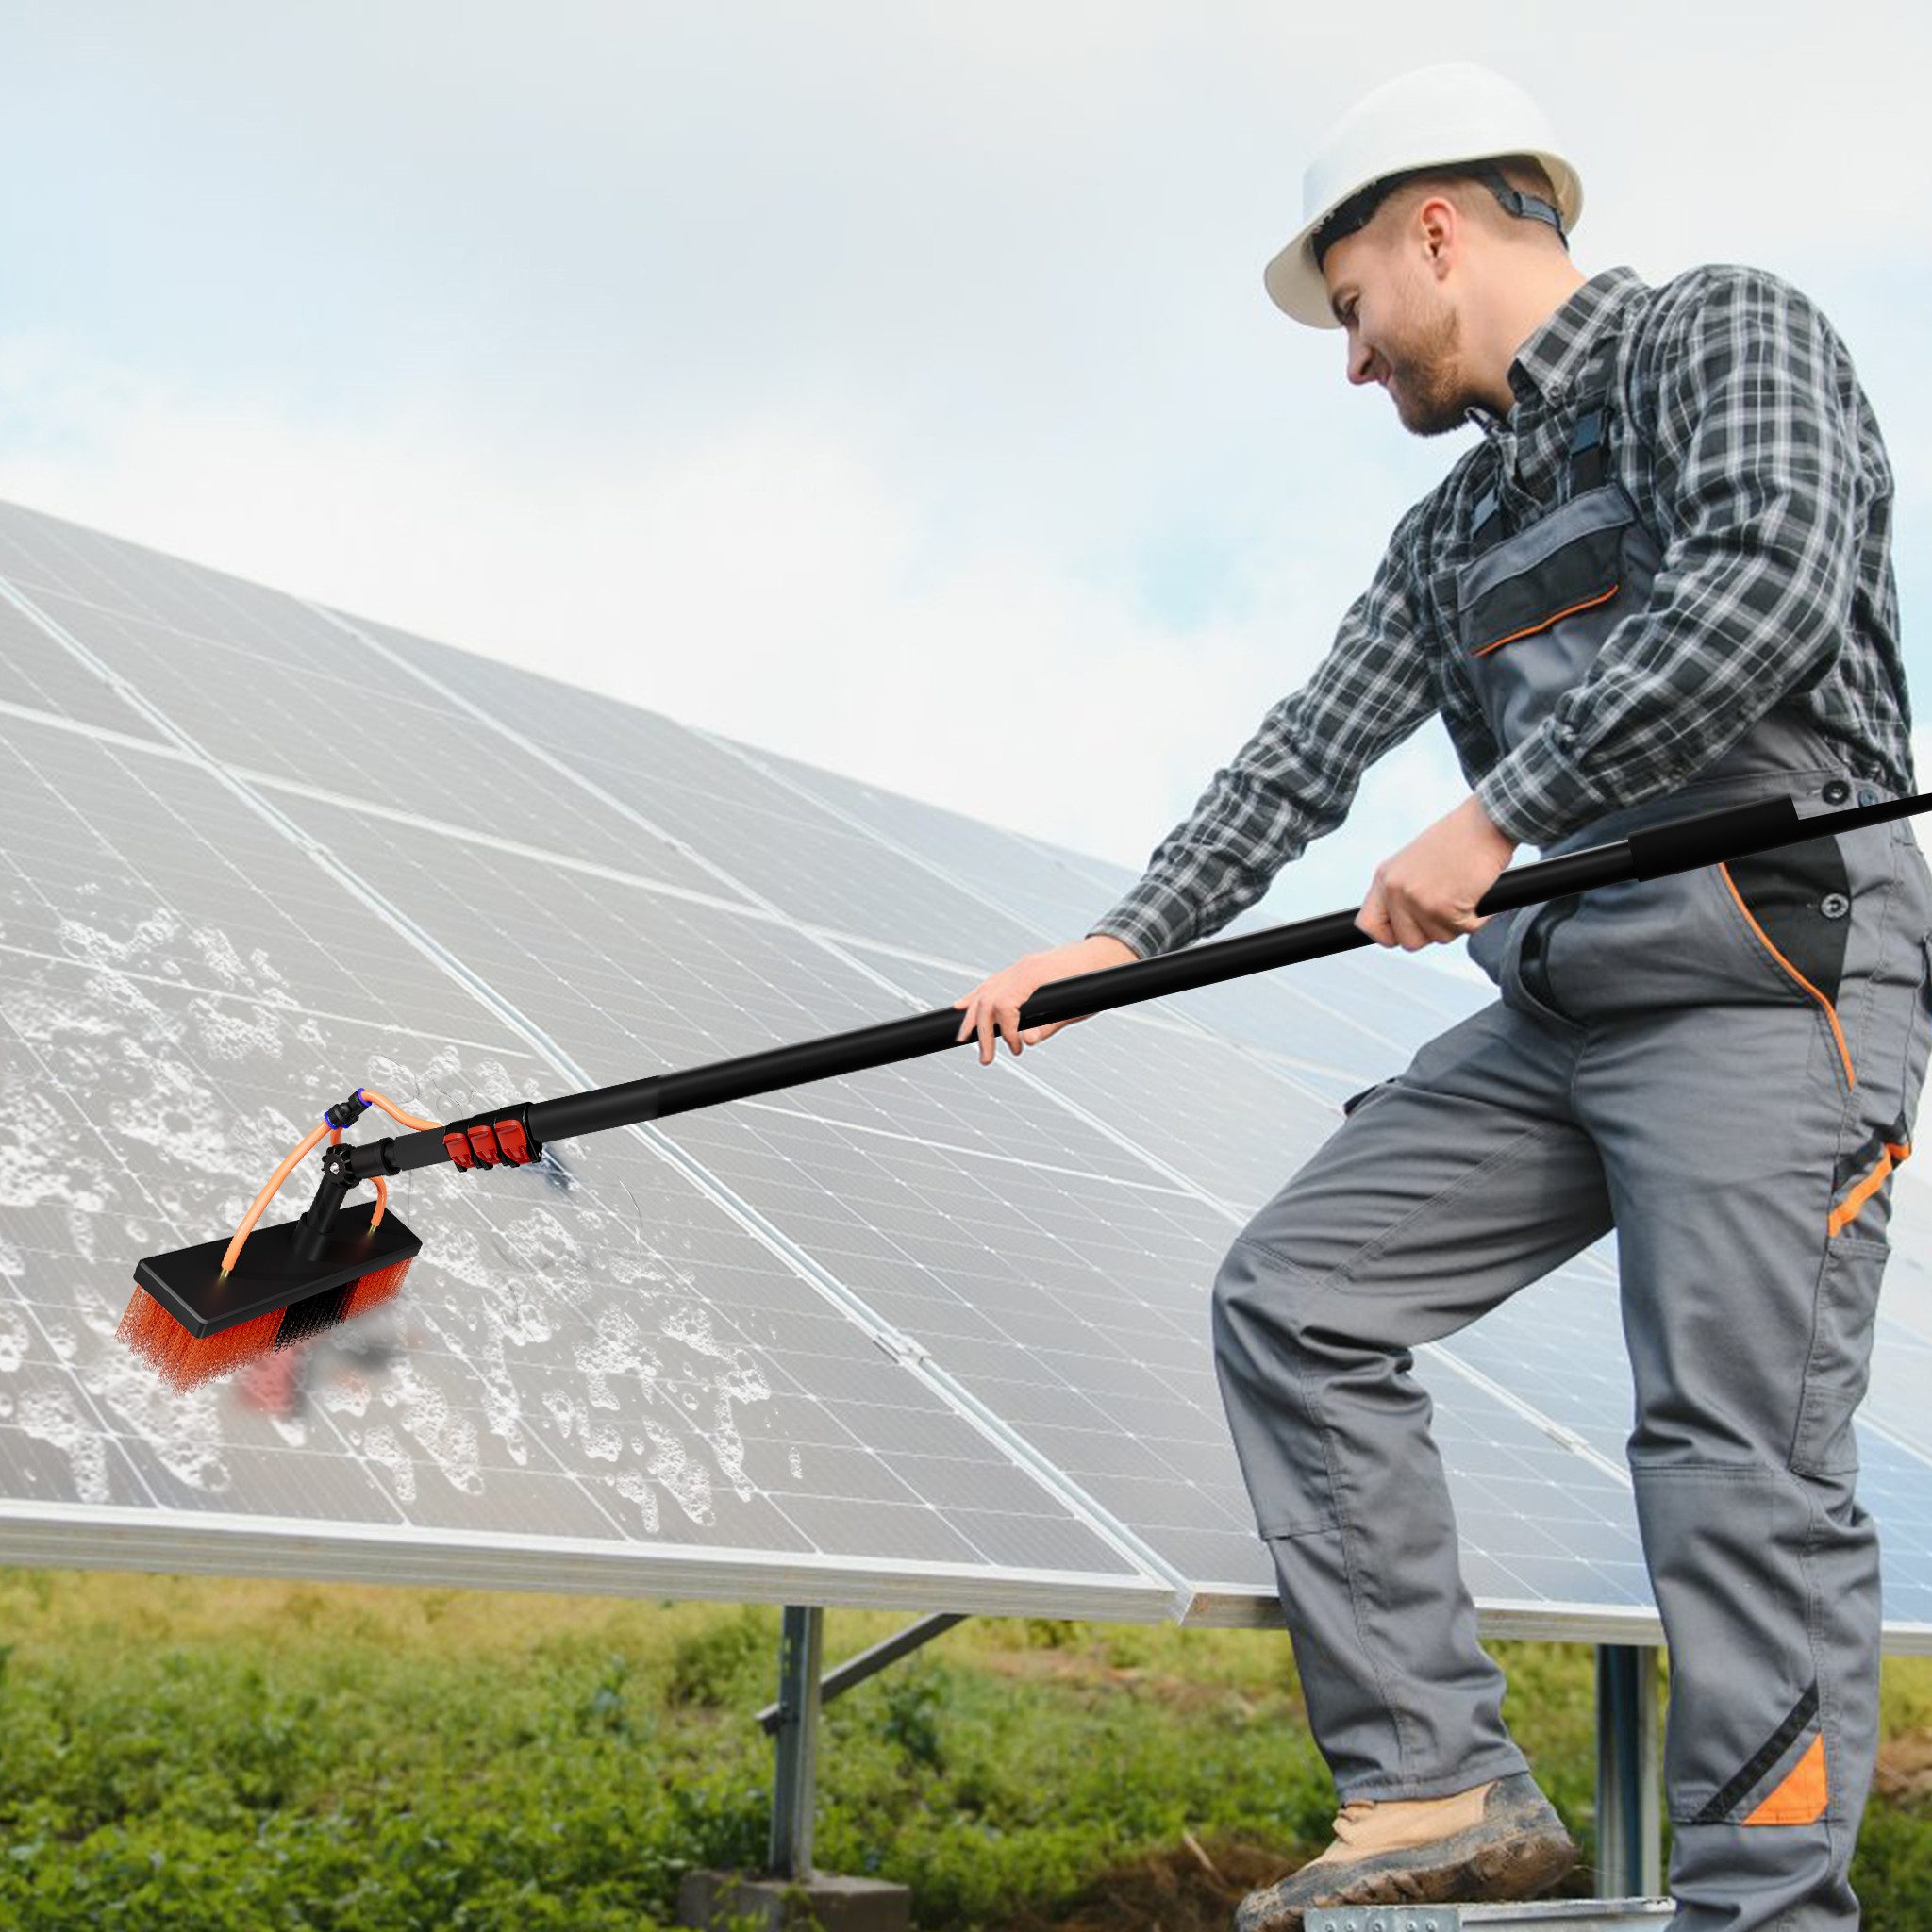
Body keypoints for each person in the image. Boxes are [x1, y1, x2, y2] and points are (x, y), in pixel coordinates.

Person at [951, 61, 1929, 1932]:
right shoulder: (1445, 533)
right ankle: (1441, 1785)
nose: (1349, 363)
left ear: (1433, 228)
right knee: (1298, 1293)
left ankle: (1768, 1914)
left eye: (1347, 314)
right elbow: (1307, 744)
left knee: (1732, 1459)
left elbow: (1767, 580)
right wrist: (1124, 937)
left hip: (1770, 972)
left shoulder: (1717, 336)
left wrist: (1503, 812)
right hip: (1571, 1008)